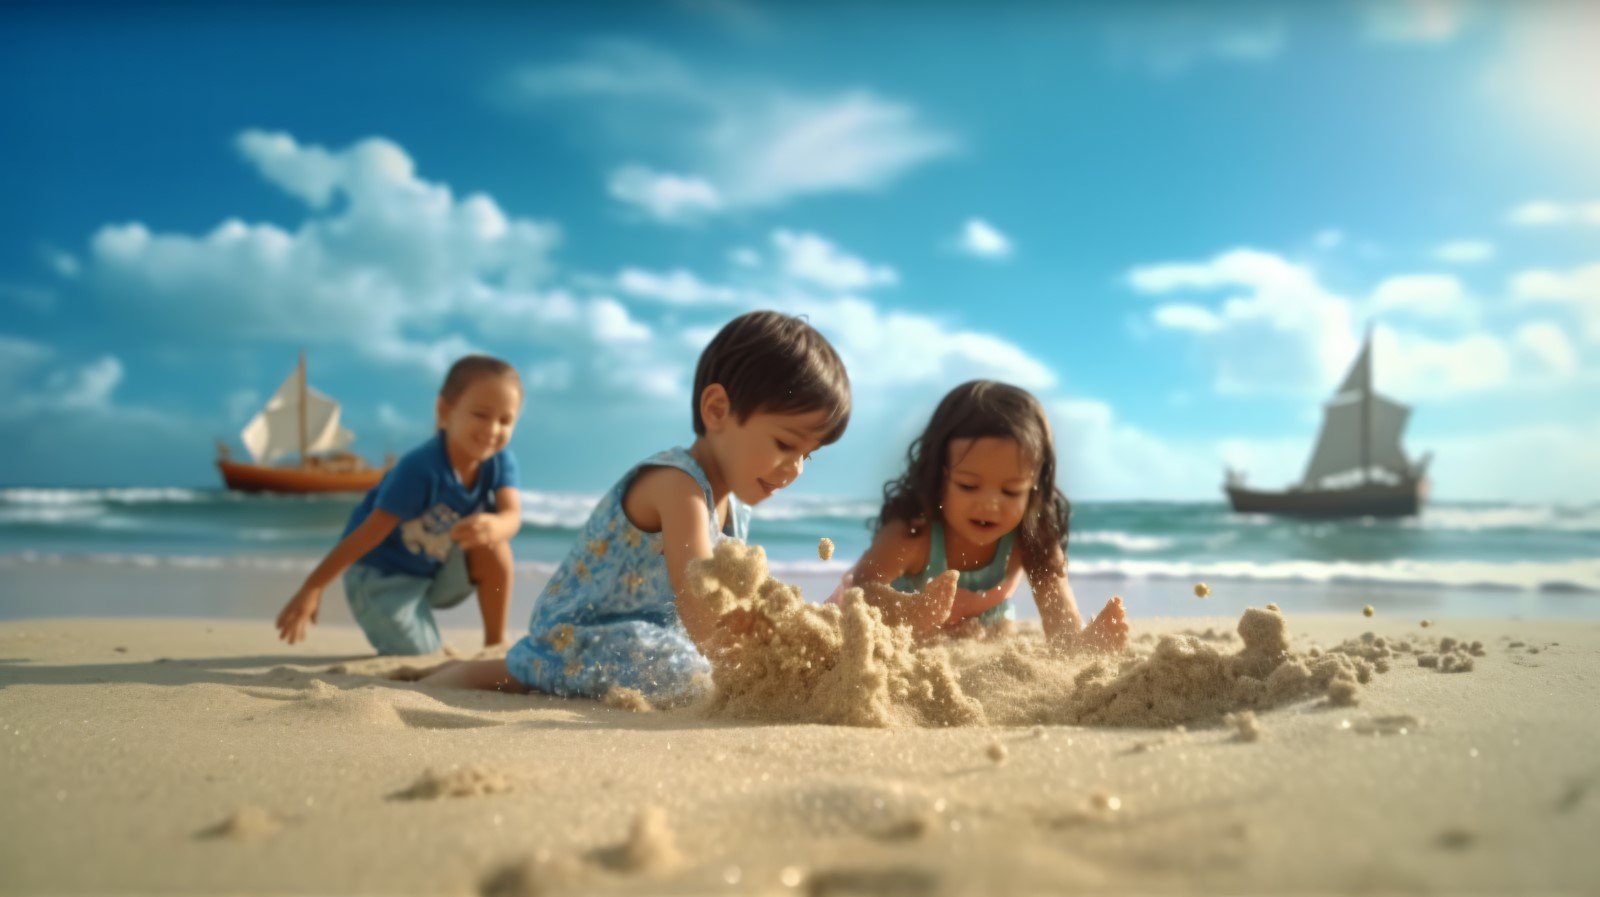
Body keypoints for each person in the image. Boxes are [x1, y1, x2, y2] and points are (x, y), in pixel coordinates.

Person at [417, 310, 851, 703]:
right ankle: (454, 678)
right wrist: (761, 665)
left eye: (807, 455)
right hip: (581, 634)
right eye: (785, 444)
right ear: (718, 409)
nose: (795, 469)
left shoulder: (733, 505)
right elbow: (700, 605)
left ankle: (466, 672)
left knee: (676, 660)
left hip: (647, 636)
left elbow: (723, 607)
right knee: (685, 675)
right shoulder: (677, 486)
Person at [837, 380, 1128, 649]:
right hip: (912, 640)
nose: (990, 504)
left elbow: (1060, 623)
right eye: (968, 485)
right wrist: (911, 611)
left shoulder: (1031, 538)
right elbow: (861, 593)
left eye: (1011, 491)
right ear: (938, 477)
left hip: (987, 638)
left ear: (1035, 489)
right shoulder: (913, 532)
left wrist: (1078, 643)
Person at [275, 355, 523, 655]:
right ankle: (417, 635)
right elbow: (368, 534)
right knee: (423, 655)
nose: (493, 429)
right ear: (445, 411)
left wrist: (497, 525)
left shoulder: (499, 462)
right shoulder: (420, 469)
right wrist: (313, 587)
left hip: (431, 572)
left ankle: (495, 645)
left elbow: (512, 516)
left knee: (495, 543)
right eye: (481, 414)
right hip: (380, 578)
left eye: (505, 420)